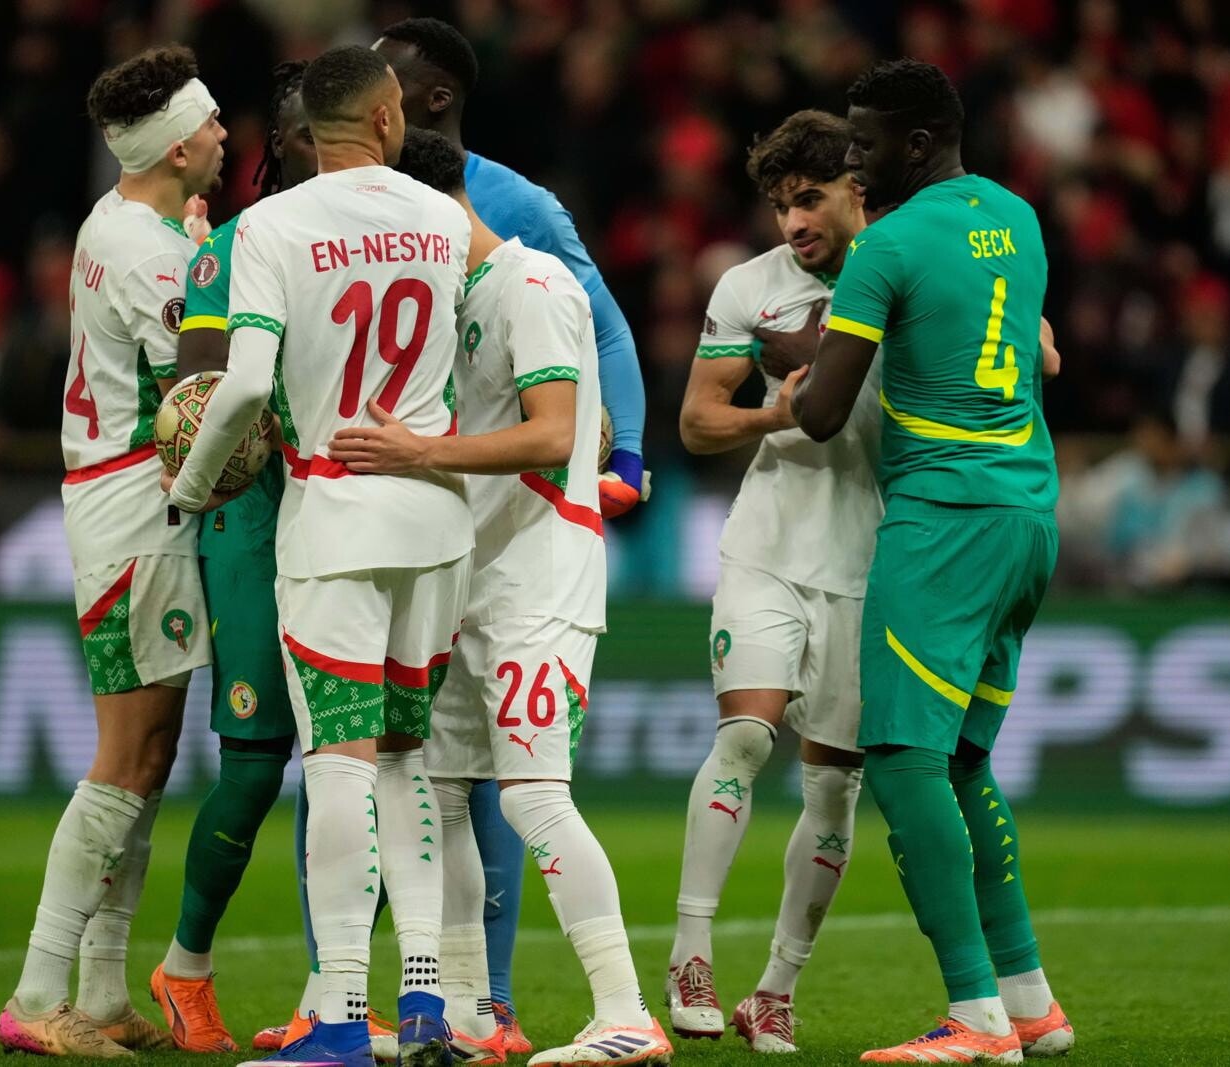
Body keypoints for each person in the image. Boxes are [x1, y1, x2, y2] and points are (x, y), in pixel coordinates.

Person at [334, 127, 674, 1067]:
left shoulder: (534, 283)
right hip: (466, 577)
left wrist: (421, 453)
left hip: (539, 579)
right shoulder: (454, 298)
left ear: (439, 203)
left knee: (532, 796)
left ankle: (626, 1013)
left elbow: (553, 432)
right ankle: (473, 1012)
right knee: (440, 794)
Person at [165, 45, 471, 1067]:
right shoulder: (441, 217)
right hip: (435, 521)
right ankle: (424, 1003)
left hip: (334, 520)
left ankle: (338, 1016)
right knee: (409, 760)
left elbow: (245, 385)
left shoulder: (273, 226)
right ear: (387, 119)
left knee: (338, 764)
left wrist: (188, 485)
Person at [792, 59, 1073, 1063]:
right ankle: (1030, 1000)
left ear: (916, 144)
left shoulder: (889, 244)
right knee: (962, 761)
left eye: (865, 144)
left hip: (943, 520)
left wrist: (792, 372)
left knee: (904, 760)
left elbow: (823, 415)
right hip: (1027, 513)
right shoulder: (1018, 217)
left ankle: (976, 1016)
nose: (853, 162)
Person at [0, 44, 225, 1057]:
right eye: (209, 121)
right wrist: (210, 277)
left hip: (124, 504)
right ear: (175, 147)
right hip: (138, 509)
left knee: (153, 756)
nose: (224, 133)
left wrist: (198, 252)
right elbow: (202, 390)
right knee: (127, 757)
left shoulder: (119, 222)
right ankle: (36, 993)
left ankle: (98, 992)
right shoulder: (151, 256)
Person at [667, 110, 878, 1054]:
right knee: (747, 735)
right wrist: (773, 417)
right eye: (781, 204)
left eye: (810, 199)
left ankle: (776, 990)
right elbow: (697, 421)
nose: (793, 221)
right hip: (768, 541)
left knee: (833, 792)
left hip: (871, 559)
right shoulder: (750, 287)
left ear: (858, 191)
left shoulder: (908, 270)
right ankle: (690, 953)